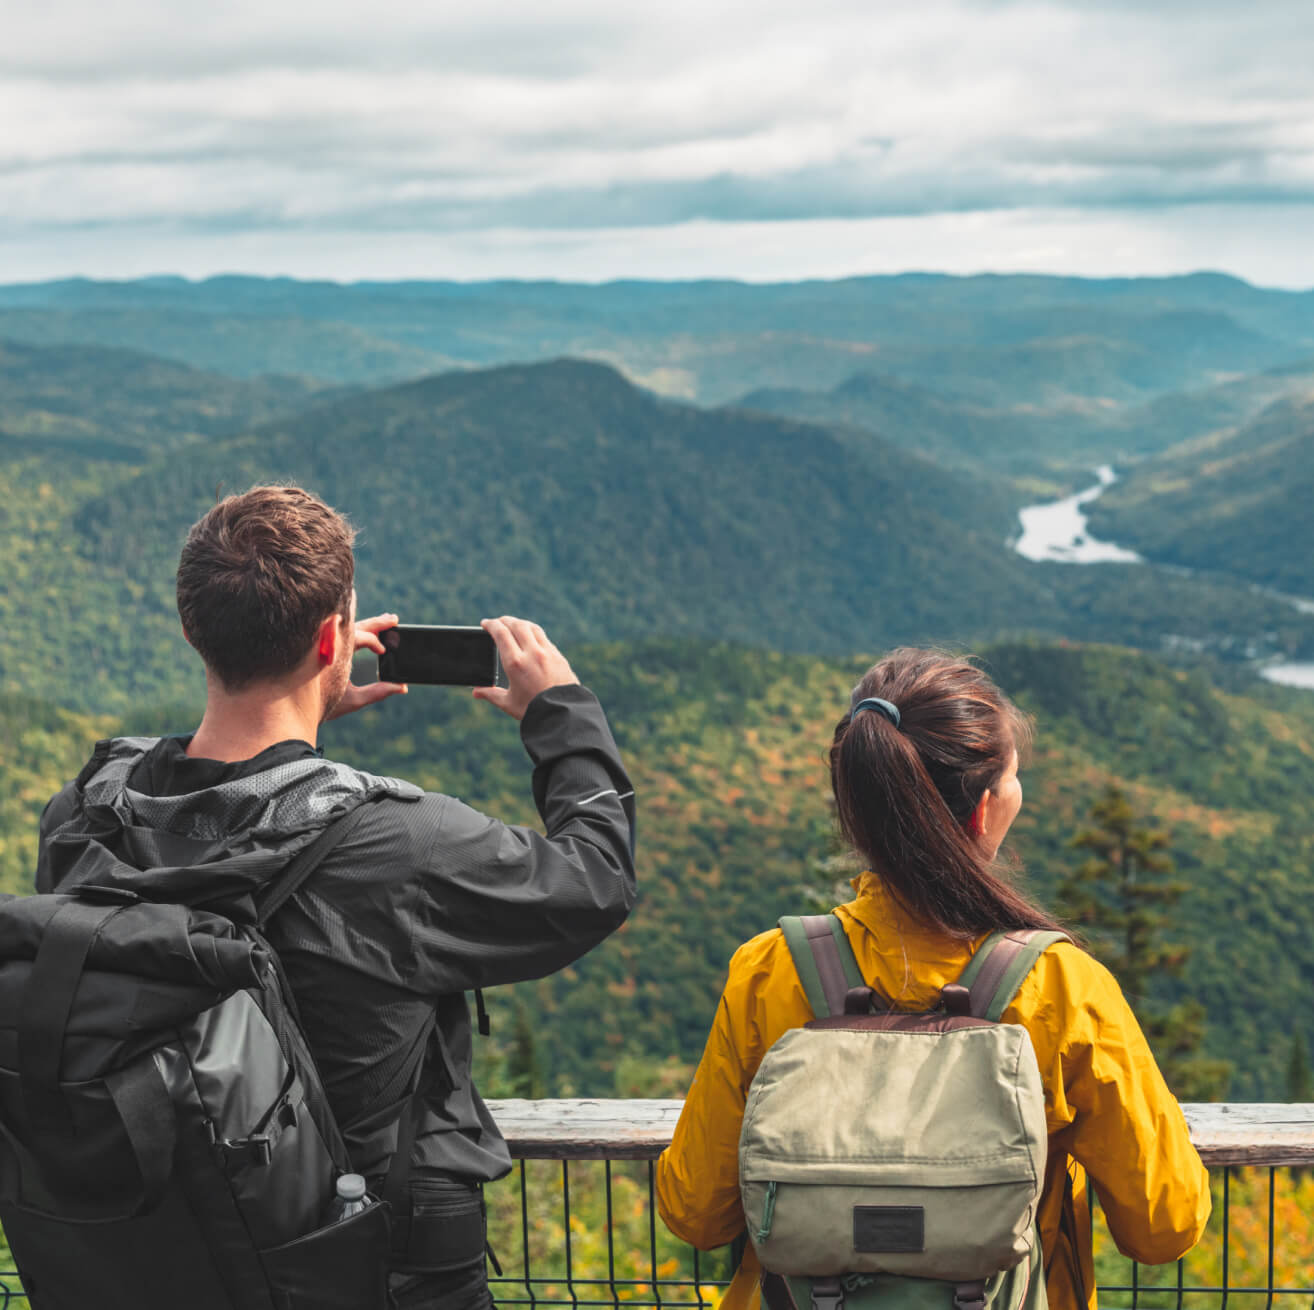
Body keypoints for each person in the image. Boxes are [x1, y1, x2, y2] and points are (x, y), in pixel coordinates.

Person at [36, 484, 637, 1310]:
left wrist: (304, 712)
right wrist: (563, 718)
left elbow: (214, 818)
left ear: (189, 630)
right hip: (376, 1265)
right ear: (333, 638)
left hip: (171, 1249)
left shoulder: (84, 819)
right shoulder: (401, 846)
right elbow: (594, 879)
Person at [656, 648, 1210, 1310]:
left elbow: (693, 1212)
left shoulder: (770, 970)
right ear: (983, 811)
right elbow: (1164, 1226)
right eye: (1011, 779)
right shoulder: (1060, 987)